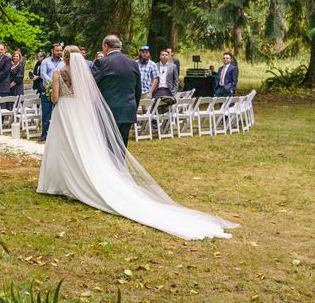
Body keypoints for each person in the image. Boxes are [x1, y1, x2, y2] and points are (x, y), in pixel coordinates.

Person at [37, 45, 237, 240]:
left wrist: (55, 94)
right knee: (83, 147)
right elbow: (97, 95)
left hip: (64, 112)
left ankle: (61, 182)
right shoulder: (86, 75)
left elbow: (54, 98)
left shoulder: (58, 74)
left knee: (64, 147)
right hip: (80, 113)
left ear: (64, 57)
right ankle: (79, 179)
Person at [91, 35, 140, 148]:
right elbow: (138, 91)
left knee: (106, 147)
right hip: (127, 110)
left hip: (108, 110)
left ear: (105, 46)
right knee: (121, 146)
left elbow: (91, 86)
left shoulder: (101, 63)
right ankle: (119, 166)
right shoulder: (133, 63)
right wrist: (133, 109)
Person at [39, 43, 64, 141]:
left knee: (58, 113)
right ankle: (44, 135)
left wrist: (58, 85)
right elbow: (43, 74)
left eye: (60, 50)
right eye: (57, 50)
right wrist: (53, 83)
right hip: (47, 90)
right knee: (46, 114)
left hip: (60, 91)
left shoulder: (63, 62)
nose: (59, 52)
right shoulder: (45, 61)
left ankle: (57, 136)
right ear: (52, 51)